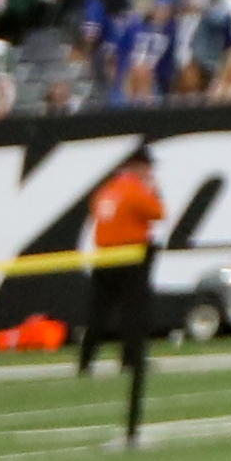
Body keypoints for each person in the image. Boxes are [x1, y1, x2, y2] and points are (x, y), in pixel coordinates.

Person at [74, 153, 163, 378]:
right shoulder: (135, 190)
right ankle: (131, 361)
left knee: (98, 313)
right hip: (130, 256)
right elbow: (158, 213)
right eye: (147, 168)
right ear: (137, 167)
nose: (150, 173)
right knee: (134, 311)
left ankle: (85, 361)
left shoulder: (107, 190)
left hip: (104, 256)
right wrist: (153, 190)